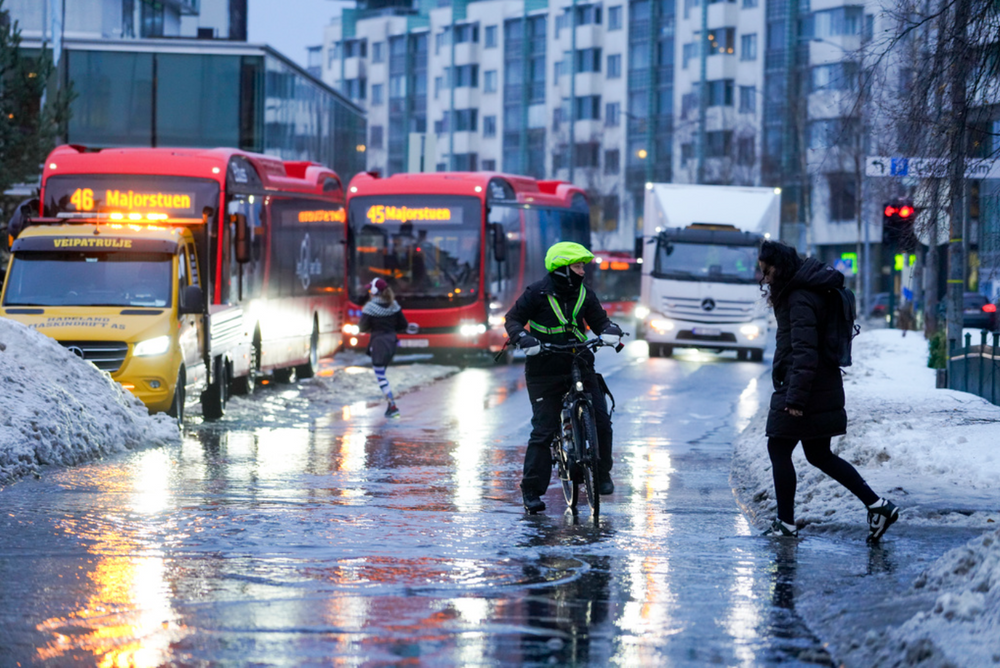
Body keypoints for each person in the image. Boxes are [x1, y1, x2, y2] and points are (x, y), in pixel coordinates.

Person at [757, 240, 899, 541]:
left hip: (806, 386)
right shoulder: (807, 288)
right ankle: (878, 506)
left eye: (767, 272)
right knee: (818, 453)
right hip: (821, 384)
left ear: (779, 268)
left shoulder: (798, 297)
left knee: (779, 447)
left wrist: (795, 398)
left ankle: (786, 523)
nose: (764, 279)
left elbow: (804, 351)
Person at [504, 241, 624, 513]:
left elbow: (600, 321)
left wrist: (610, 330)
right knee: (543, 431)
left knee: (602, 423)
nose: (583, 271)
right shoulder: (536, 293)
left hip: (579, 361)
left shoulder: (585, 294)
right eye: (578, 266)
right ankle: (532, 491)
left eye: (582, 266)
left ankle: (601, 473)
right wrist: (523, 338)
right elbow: (512, 319)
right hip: (544, 367)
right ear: (563, 269)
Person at [359, 278, 416, 418]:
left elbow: (362, 327)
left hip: (378, 345)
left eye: (369, 290)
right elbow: (403, 325)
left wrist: (374, 326)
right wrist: (390, 328)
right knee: (382, 374)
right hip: (391, 343)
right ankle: (390, 404)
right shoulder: (394, 306)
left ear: (374, 292)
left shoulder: (370, 308)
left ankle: (392, 406)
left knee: (380, 376)